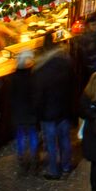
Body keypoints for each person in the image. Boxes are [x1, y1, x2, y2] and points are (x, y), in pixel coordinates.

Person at [33, 45, 77, 178]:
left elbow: (38, 97)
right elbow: (73, 90)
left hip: (48, 115)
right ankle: (66, 166)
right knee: (65, 141)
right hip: (64, 112)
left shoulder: (41, 72)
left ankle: (53, 170)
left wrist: (37, 115)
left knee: (51, 144)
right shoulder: (67, 67)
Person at [8, 50, 40, 174]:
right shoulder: (33, 77)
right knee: (32, 135)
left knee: (20, 136)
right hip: (31, 113)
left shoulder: (13, 78)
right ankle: (33, 158)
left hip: (18, 113)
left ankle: (21, 158)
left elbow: (11, 96)